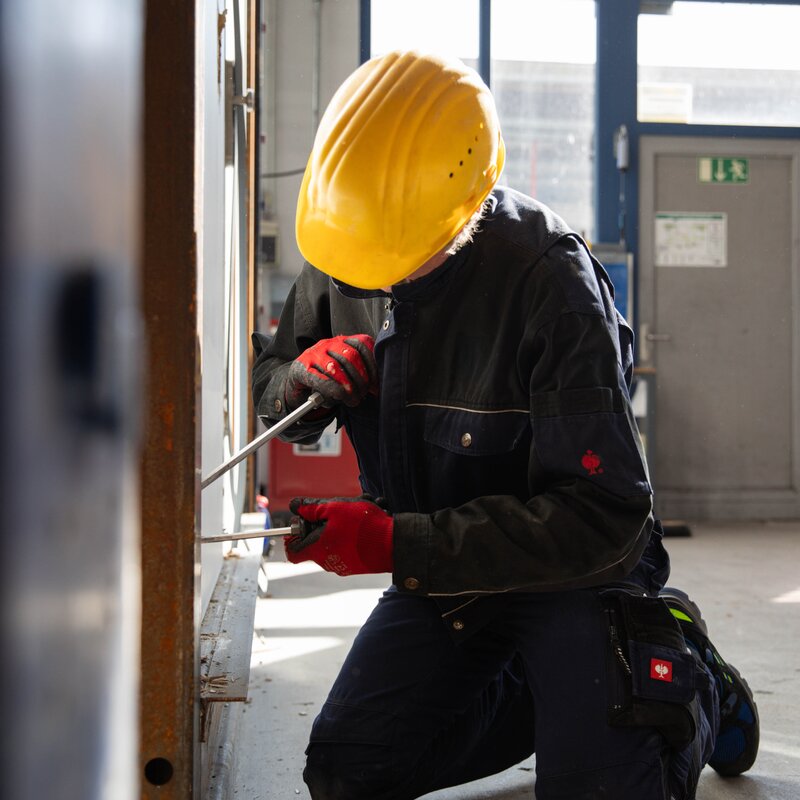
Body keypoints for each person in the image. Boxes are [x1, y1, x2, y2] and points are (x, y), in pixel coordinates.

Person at [251, 50, 759, 800]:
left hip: (575, 575)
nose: (381, 283)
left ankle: (688, 676)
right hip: (449, 576)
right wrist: (300, 381)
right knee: (348, 771)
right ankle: (556, 703)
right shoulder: (346, 245)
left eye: (404, 262)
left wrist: (395, 541)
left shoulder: (549, 280)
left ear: (463, 201)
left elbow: (606, 516)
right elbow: (271, 389)